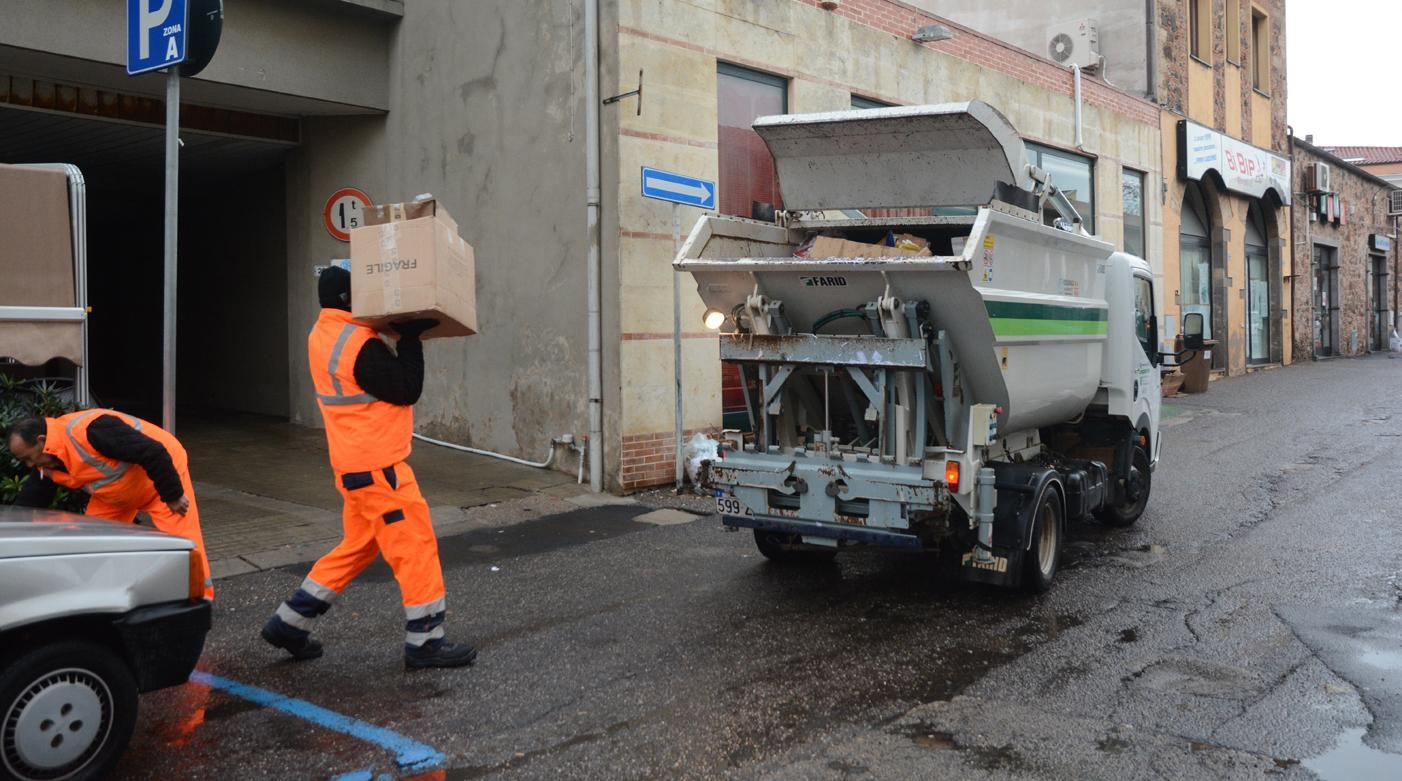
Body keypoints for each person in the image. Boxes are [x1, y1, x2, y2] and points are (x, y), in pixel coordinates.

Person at [260, 266, 476, 670]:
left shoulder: (322, 334)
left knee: (357, 547)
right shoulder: (358, 342)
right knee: (415, 547)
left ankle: (289, 623)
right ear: (347, 300)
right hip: (381, 469)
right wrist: (410, 338)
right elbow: (406, 387)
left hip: (352, 467)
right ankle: (425, 641)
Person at [7, 411, 213, 600]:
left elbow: (153, 452)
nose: (29, 465)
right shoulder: (46, 464)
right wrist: (9, 535)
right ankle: (97, 598)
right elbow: (30, 503)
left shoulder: (90, 431)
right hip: (113, 495)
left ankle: (198, 599)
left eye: (28, 458)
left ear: (41, 441)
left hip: (159, 484)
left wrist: (173, 495)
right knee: (91, 545)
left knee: (184, 545)